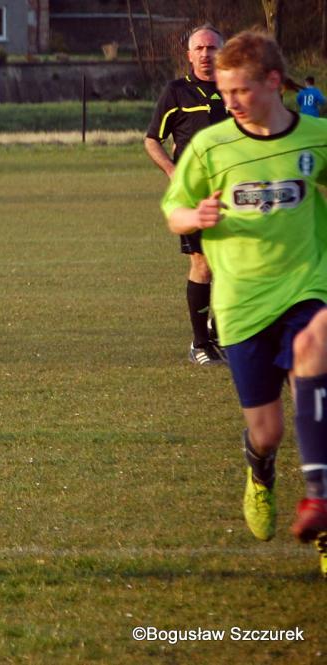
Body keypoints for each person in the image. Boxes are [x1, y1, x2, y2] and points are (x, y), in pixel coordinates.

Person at [161, 31, 327, 577]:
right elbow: (174, 212)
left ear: (274, 82)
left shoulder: (317, 136)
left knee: (315, 347)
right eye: (224, 91)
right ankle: (260, 470)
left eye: (240, 90)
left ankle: (322, 506)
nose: (229, 101)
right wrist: (196, 216)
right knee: (268, 431)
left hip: (308, 286)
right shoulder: (211, 146)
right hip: (241, 304)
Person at [145, 25, 228, 365]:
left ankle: (220, 332)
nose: (206, 54)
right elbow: (152, 139)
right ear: (189, 55)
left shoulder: (237, 89)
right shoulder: (177, 91)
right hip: (194, 195)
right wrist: (172, 171)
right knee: (202, 263)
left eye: (212, 48)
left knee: (234, 264)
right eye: (200, 49)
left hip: (235, 190)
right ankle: (200, 344)